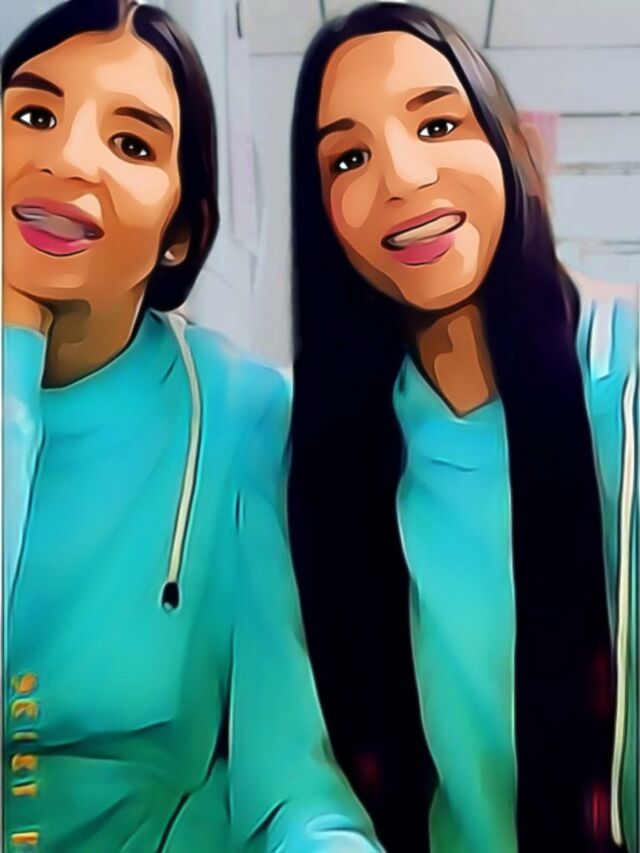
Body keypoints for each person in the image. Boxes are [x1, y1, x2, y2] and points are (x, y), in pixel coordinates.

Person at [2, 1, 383, 850]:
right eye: (33, 116)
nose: (66, 159)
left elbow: (288, 786)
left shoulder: (240, 412)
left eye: (131, 144)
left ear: (181, 232)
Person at [287, 4, 638, 852]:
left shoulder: (622, 377)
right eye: (349, 157)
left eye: (438, 124)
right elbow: (298, 776)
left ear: (514, 148)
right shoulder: (315, 452)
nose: (401, 177)